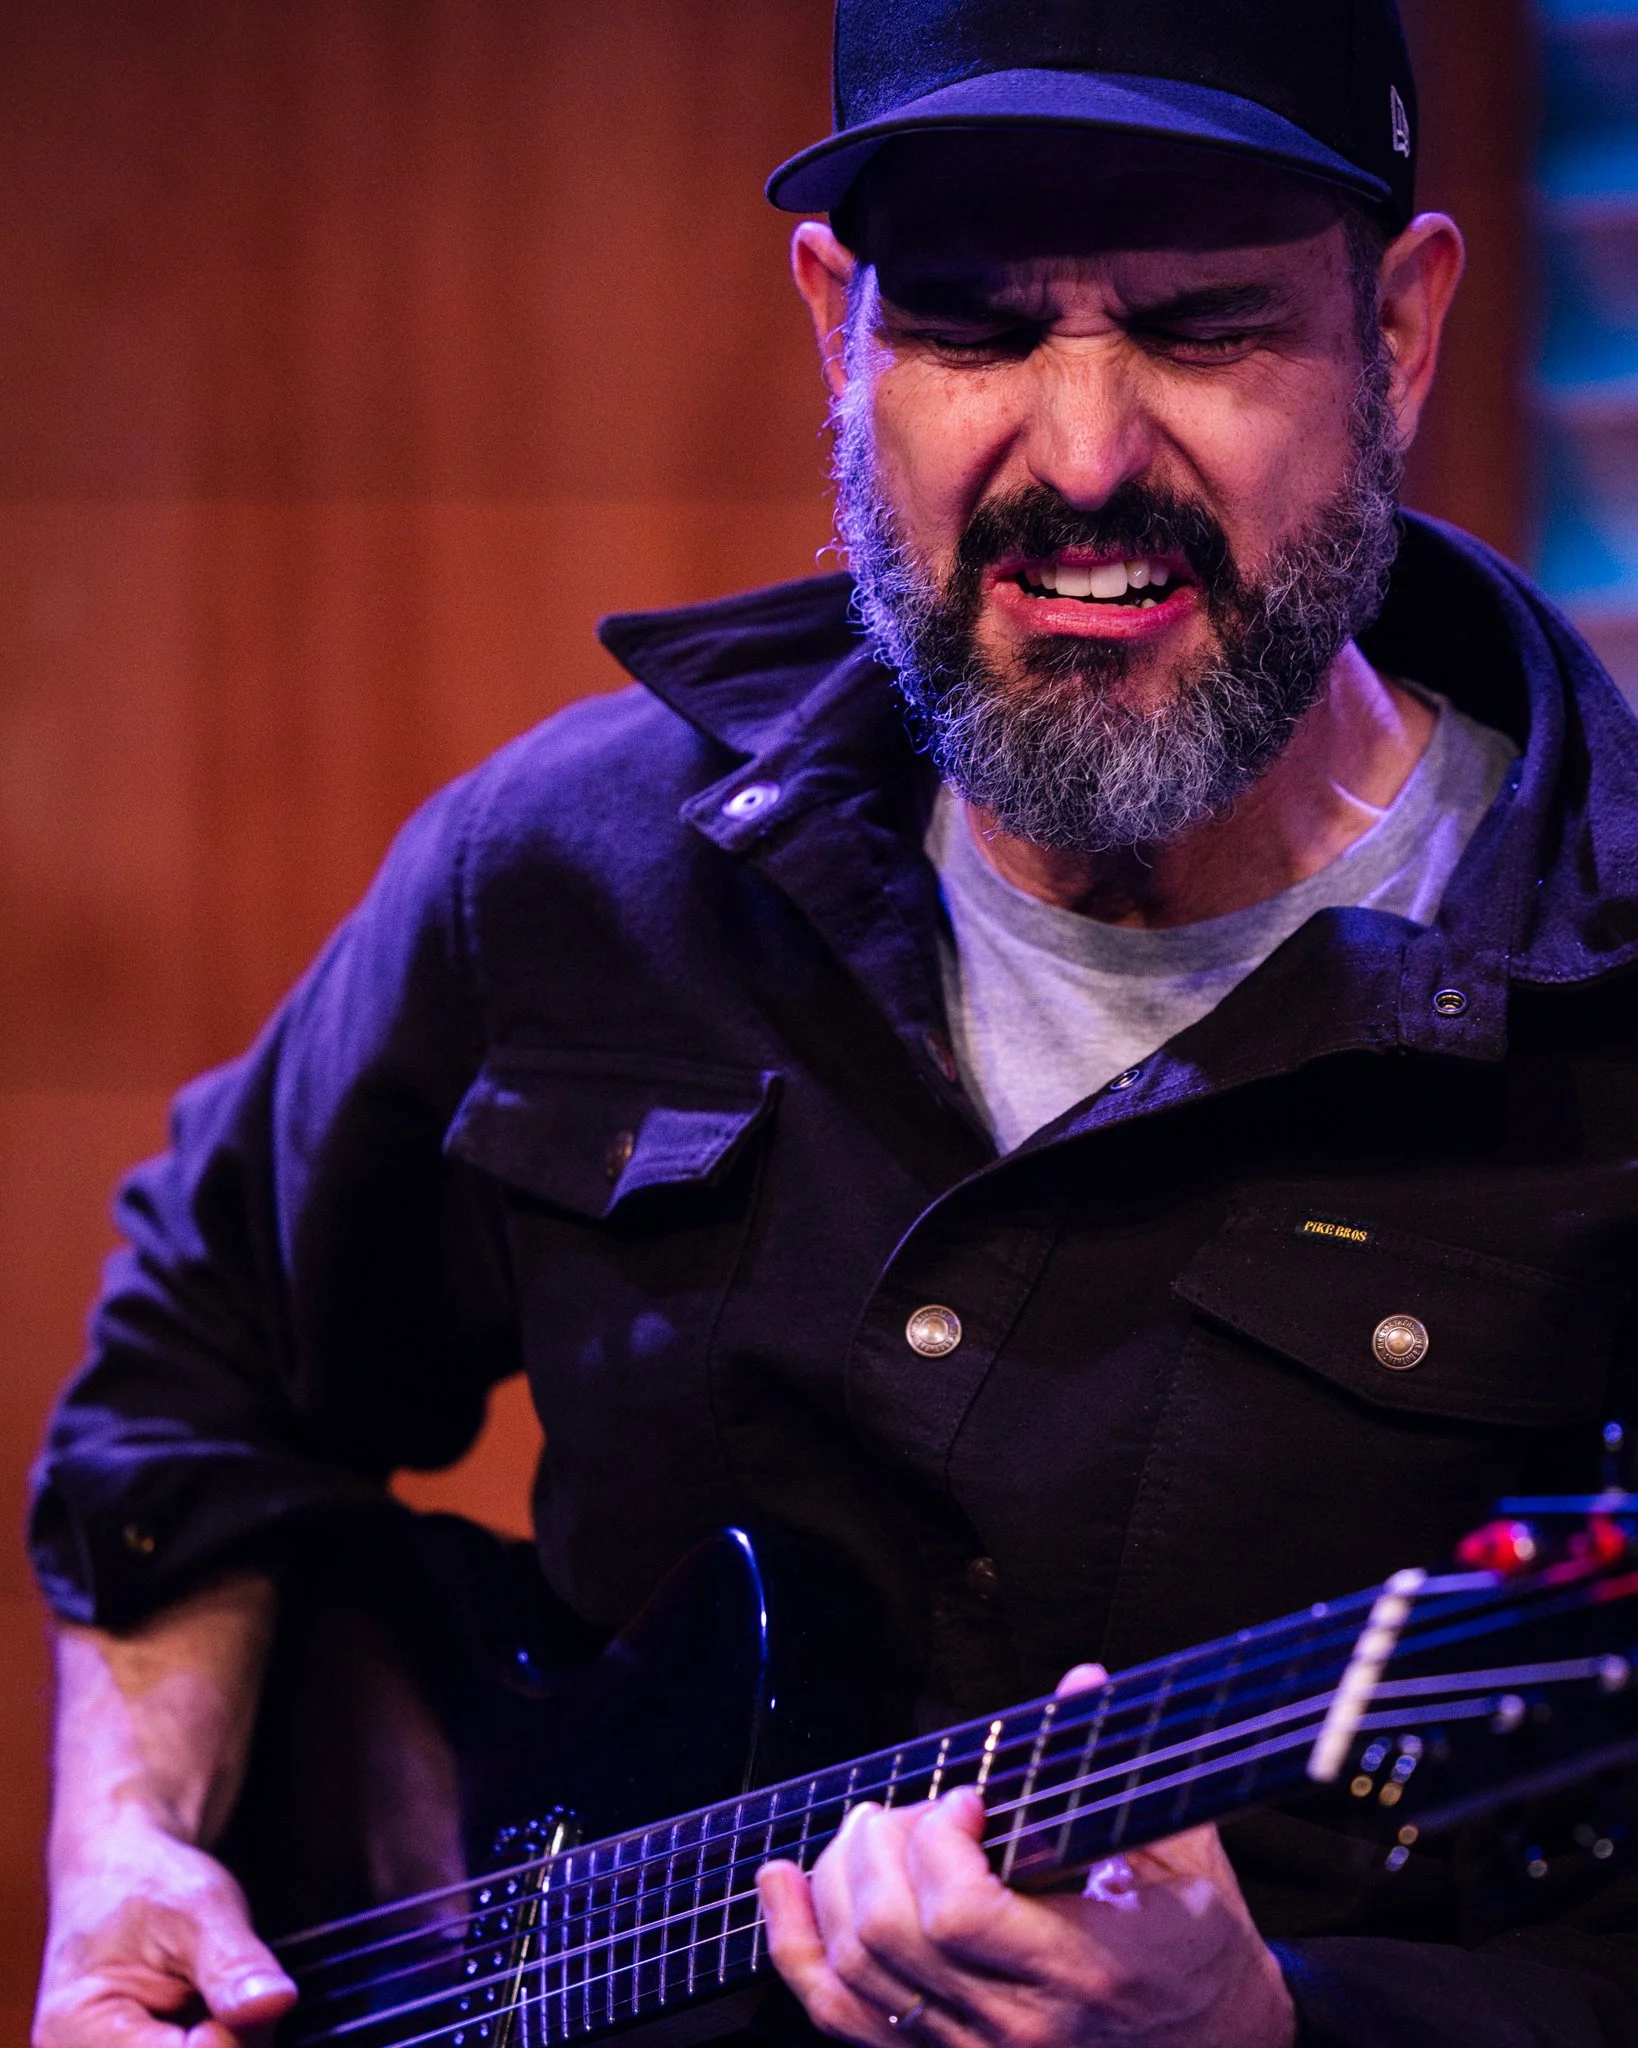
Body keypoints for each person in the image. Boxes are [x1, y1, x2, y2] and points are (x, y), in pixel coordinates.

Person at [29, 2, 1638, 2043]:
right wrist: (128, 1846)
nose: (1082, 458)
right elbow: (198, 1374)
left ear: (1397, 335)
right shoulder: (570, 868)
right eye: (971, 329)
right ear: (835, 327)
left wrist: (1268, 2023)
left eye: (1205, 330)